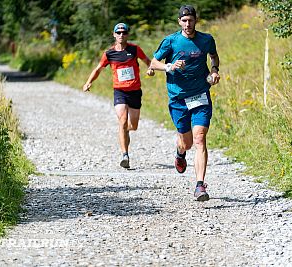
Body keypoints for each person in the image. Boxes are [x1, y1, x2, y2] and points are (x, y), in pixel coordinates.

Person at [149, 5, 220, 201]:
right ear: (179, 22)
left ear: (196, 20)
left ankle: (200, 186)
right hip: (178, 98)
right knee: (187, 143)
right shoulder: (171, 41)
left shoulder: (206, 40)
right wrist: (170, 66)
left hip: (200, 95)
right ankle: (180, 153)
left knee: (200, 138)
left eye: (191, 20)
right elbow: (153, 63)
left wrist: (214, 71)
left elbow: (213, 56)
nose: (188, 24)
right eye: (184, 20)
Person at [83, 22, 155, 169]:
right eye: (119, 32)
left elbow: (148, 61)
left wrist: (150, 69)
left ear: (127, 34)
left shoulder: (135, 49)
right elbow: (98, 69)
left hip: (135, 91)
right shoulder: (109, 53)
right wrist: (88, 82)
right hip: (120, 91)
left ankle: (125, 131)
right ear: (114, 35)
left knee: (133, 126)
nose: (121, 35)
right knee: (122, 121)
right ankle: (125, 155)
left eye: (124, 32)